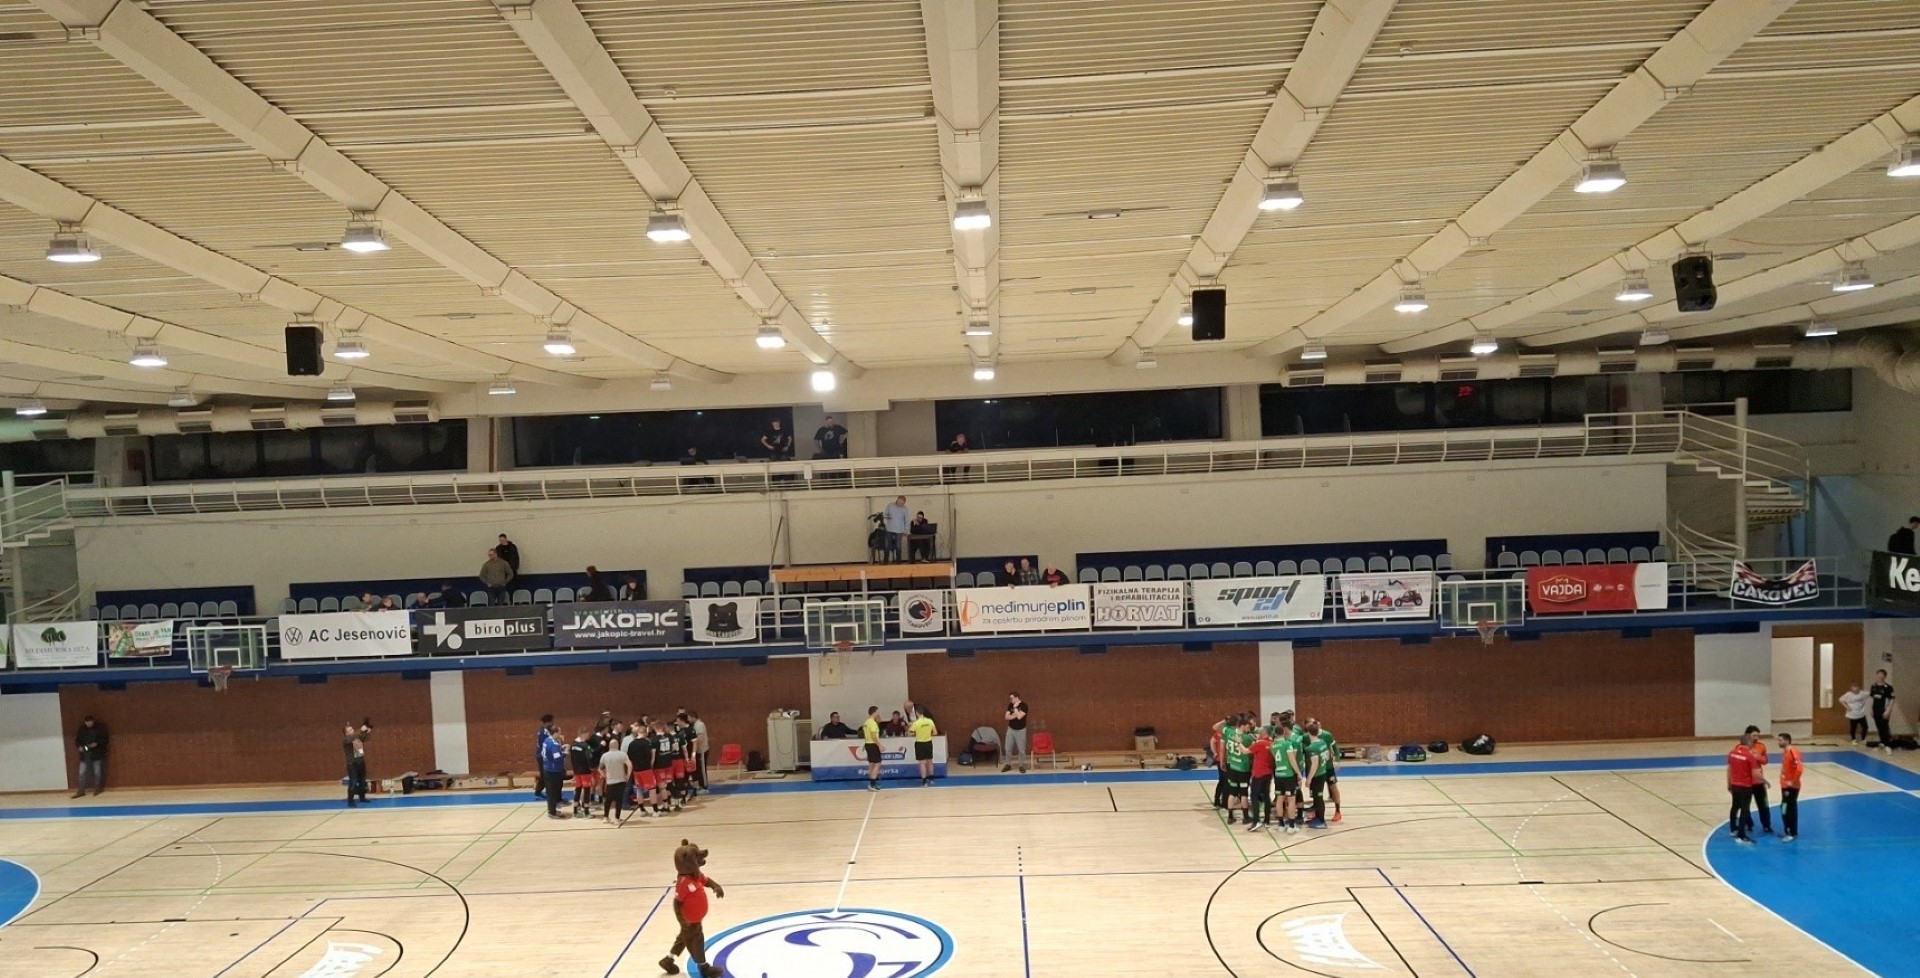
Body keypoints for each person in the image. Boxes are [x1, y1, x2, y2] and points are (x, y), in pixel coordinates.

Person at [661, 840, 726, 978]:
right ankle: (704, 967)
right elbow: (677, 903)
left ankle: (668, 960)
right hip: (690, 920)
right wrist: (683, 921)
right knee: (696, 941)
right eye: (696, 857)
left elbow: (706, 880)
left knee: (683, 938)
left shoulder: (695, 875)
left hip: (694, 919)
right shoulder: (684, 883)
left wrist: (716, 886)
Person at [1726, 729, 1762, 844]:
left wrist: (1729, 783)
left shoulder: (1732, 753)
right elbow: (1755, 774)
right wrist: (1765, 781)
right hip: (1745, 786)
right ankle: (1741, 835)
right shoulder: (1749, 756)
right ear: (1749, 742)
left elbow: (1729, 769)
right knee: (1745, 809)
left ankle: (1733, 829)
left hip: (1735, 784)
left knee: (1735, 806)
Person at [1302, 718, 1333, 830]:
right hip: (1323, 772)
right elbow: (1329, 755)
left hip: (1317, 776)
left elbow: (1314, 765)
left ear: (1308, 733)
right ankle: (1317, 818)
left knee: (1318, 798)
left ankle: (1321, 821)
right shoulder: (1322, 742)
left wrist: (1309, 779)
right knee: (1316, 797)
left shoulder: (1312, 748)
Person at [1744, 725, 1774, 835]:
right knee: (1745, 805)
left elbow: (1765, 761)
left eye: (1758, 735)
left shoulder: (1761, 746)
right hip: (1746, 781)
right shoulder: (1740, 747)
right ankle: (1748, 824)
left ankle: (1766, 825)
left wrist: (1758, 757)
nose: (1756, 738)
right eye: (1754, 735)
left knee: (1764, 805)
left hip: (1758, 781)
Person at [1775, 731, 1803, 842]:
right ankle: (1791, 831)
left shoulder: (1792, 751)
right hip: (1785, 786)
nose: (1778, 742)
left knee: (1786, 808)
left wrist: (1793, 781)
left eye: (1780, 740)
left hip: (1790, 787)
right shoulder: (1786, 752)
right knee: (1787, 807)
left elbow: (1799, 768)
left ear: (1787, 741)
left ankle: (1790, 833)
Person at [1247, 725, 1275, 832]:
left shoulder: (1259, 743)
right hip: (1268, 773)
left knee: (1254, 796)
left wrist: (1239, 743)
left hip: (1258, 773)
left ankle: (1256, 821)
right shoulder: (1271, 743)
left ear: (1265, 732)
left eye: (1261, 730)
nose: (1259, 731)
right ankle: (1267, 820)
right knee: (1266, 795)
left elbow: (1246, 751)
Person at [538, 722, 568, 820]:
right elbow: (557, 758)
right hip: (553, 771)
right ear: (555, 733)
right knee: (552, 792)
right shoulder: (554, 744)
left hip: (547, 768)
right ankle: (552, 812)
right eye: (559, 732)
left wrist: (561, 748)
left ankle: (553, 809)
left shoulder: (547, 740)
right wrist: (565, 753)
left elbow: (550, 752)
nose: (560, 734)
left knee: (551, 791)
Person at [73, 714, 108, 798]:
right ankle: (81, 791)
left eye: (90, 723)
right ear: (85, 722)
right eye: (87, 723)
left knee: (97, 772)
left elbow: (105, 740)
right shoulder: (82, 729)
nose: (88, 725)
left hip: (97, 753)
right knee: (82, 773)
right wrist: (79, 747)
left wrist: (97, 744)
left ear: (93, 721)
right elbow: (77, 740)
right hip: (84, 754)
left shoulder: (100, 728)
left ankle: (97, 789)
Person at [600, 736, 632, 825]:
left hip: (610, 782)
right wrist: (628, 775)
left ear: (609, 746)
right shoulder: (622, 755)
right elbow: (629, 765)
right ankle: (617, 818)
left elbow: (600, 768)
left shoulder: (605, 756)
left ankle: (605, 817)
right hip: (621, 781)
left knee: (608, 800)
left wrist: (605, 776)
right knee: (619, 800)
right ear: (618, 745)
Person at [569, 727, 598, 818]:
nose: (588, 736)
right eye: (587, 734)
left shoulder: (573, 745)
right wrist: (592, 767)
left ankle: (575, 811)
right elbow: (590, 758)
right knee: (586, 790)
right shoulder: (585, 746)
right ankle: (586, 812)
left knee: (578, 789)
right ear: (583, 734)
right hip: (585, 771)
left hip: (576, 771)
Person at [343, 719, 372, 808]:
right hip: (352, 764)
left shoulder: (356, 737)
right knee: (353, 781)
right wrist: (361, 730)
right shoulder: (346, 739)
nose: (352, 731)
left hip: (360, 761)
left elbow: (366, 738)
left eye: (352, 729)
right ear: (346, 733)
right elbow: (355, 736)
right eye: (350, 730)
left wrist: (367, 731)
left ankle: (362, 797)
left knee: (362, 780)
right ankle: (350, 801)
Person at [907, 704, 938, 786]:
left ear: (917, 713)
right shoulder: (930, 721)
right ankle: (932, 779)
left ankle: (924, 781)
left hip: (920, 744)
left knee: (922, 763)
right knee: (930, 762)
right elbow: (935, 733)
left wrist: (915, 733)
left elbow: (909, 733)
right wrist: (927, 735)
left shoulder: (916, 723)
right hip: (928, 743)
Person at [1003, 693, 1030, 773]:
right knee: (1008, 748)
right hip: (1011, 729)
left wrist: (1015, 709)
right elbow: (1006, 717)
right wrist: (1016, 714)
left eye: (1011, 698)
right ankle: (1007, 764)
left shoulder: (1024, 706)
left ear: (1017, 698)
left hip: (1021, 730)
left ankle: (1021, 765)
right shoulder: (1010, 705)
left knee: (1021, 749)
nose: (1010, 700)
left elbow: (1019, 717)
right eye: (1010, 698)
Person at [1871, 669, 1897, 752]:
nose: (1880, 676)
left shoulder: (1888, 687)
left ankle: (1888, 745)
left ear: (1885, 676)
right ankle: (1882, 743)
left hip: (1884, 710)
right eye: (1878, 674)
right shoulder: (1873, 686)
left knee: (1885, 727)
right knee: (1879, 727)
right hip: (1876, 710)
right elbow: (1873, 699)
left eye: (1882, 674)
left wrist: (1888, 710)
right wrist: (1871, 709)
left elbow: (1892, 699)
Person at [861, 706, 883, 791]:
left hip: (868, 744)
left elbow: (867, 735)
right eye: (878, 711)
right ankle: (872, 784)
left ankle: (871, 783)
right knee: (877, 763)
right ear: (875, 712)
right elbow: (873, 736)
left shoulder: (866, 722)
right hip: (873, 745)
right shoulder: (872, 723)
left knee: (871, 764)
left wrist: (865, 743)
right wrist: (879, 745)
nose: (879, 713)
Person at [882, 496, 910, 563]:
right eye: (899, 502)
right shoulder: (890, 505)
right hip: (889, 529)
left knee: (898, 546)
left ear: (904, 503)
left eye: (902, 503)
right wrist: (888, 517)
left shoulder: (905, 509)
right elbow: (884, 514)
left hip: (899, 530)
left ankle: (898, 562)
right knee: (887, 545)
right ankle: (885, 562)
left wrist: (906, 531)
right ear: (897, 500)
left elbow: (907, 521)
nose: (900, 504)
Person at [691, 711, 710, 790]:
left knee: (702, 769)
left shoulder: (699, 725)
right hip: (698, 750)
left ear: (693, 717)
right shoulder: (695, 725)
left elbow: (700, 738)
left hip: (702, 750)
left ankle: (704, 786)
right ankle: (701, 784)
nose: (688, 720)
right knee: (699, 769)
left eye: (689, 718)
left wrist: (691, 742)